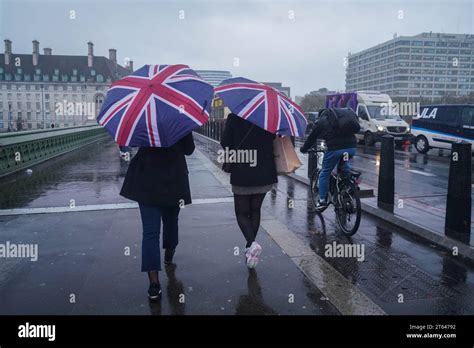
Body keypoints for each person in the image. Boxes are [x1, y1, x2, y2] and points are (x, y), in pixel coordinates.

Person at [120, 133, 195, 300]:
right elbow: (189, 150)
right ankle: (169, 250)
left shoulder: (143, 115)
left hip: (146, 178)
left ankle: (154, 285)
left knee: (150, 233)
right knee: (171, 221)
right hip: (174, 179)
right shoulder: (179, 116)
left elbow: (131, 142)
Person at [220, 113, 277, 269]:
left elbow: (225, 142)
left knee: (241, 213)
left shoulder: (234, 118)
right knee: (255, 210)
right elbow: (273, 139)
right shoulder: (267, 118)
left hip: (242, 171)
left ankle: (251, 244)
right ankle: (250, 249)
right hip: (264, 171)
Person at [300, 108, 360, 211]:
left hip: (335, 150)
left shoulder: (322, 121)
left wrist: (304, 149)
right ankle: (350, 183)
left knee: (325, 172)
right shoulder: (341, 118)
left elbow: (312, 137)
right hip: (351, 149)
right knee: (344, 163)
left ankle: (322, 200)